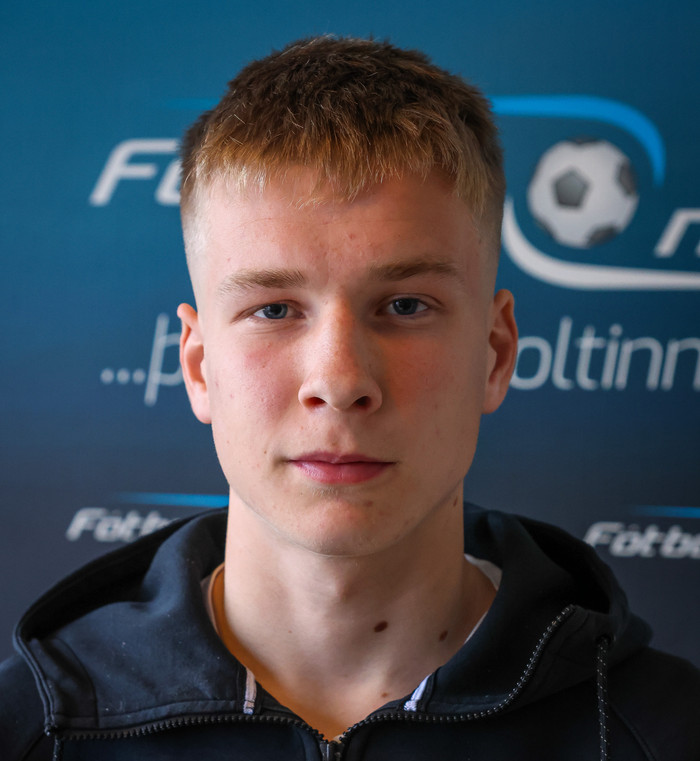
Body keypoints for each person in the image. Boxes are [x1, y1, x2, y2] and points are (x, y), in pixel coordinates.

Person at [1, 36, 698, 761]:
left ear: (494, 354)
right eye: (274, 309)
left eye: (405, 306)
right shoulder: (27, 732)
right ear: (200, 366)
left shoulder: (667, 733)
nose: (339, 381)